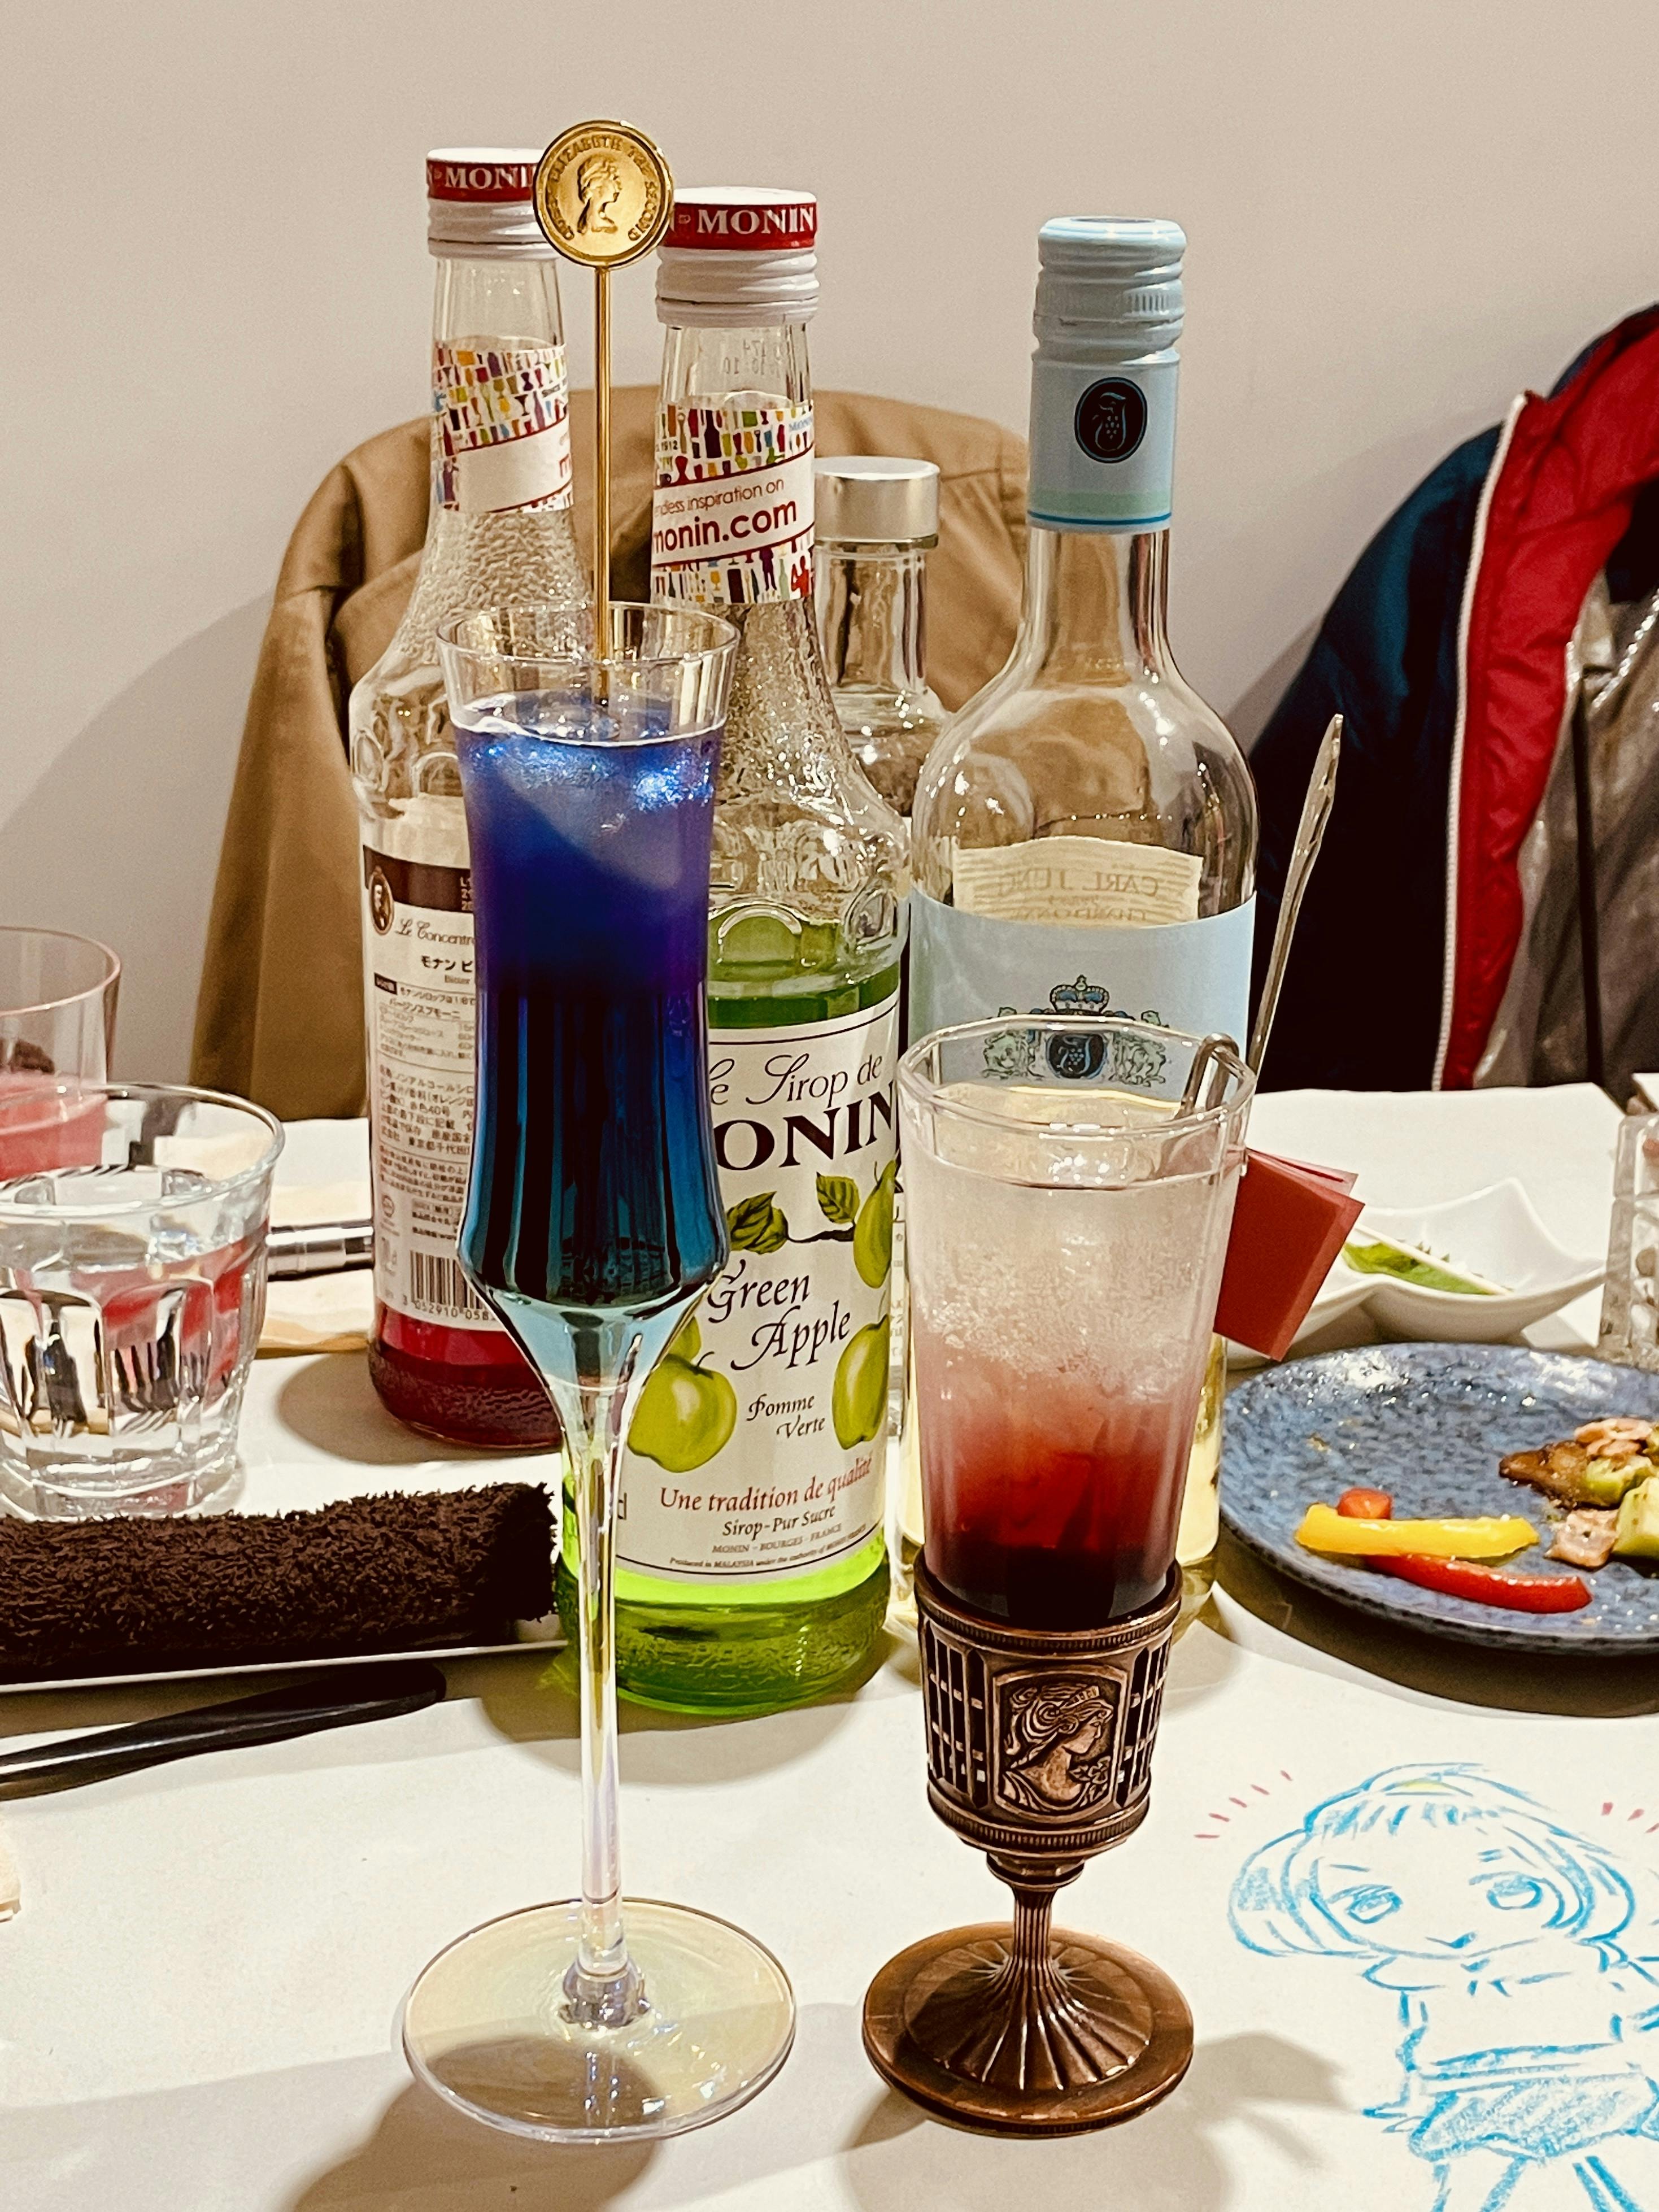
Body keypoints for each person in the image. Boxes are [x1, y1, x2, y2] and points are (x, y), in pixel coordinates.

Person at [1230, 1763, 1659, 2211]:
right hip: (1467, 2098)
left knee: (1616, 2177)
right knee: (1477, 2188)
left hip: (1597, 2086)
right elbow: (1393, 2049)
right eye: (1373, 1904)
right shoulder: (1412, 1978)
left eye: (1508, 1888)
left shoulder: (1576, 1960)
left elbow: (1639, 2006)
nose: (1449, 1928)